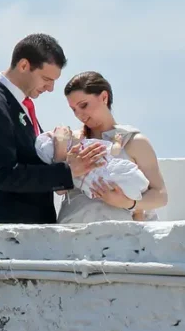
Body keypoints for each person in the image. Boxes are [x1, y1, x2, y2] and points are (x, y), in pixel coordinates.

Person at [0, 33, 106, 223]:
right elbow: (6, 175)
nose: (50, 88)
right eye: (46, 79)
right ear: (24, 66)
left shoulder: (18, 104)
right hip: (5, 231)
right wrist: (67, 171)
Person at [52, 71, 168, 223]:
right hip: (73, 235)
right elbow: (59, 189)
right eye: (74, 109)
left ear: (104, 97)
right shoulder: (70, 141)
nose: (79, 114)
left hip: (121, 238)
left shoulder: (134, 141)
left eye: (84, 105)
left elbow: (160, 195)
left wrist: (128, 203)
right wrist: (62, 153)